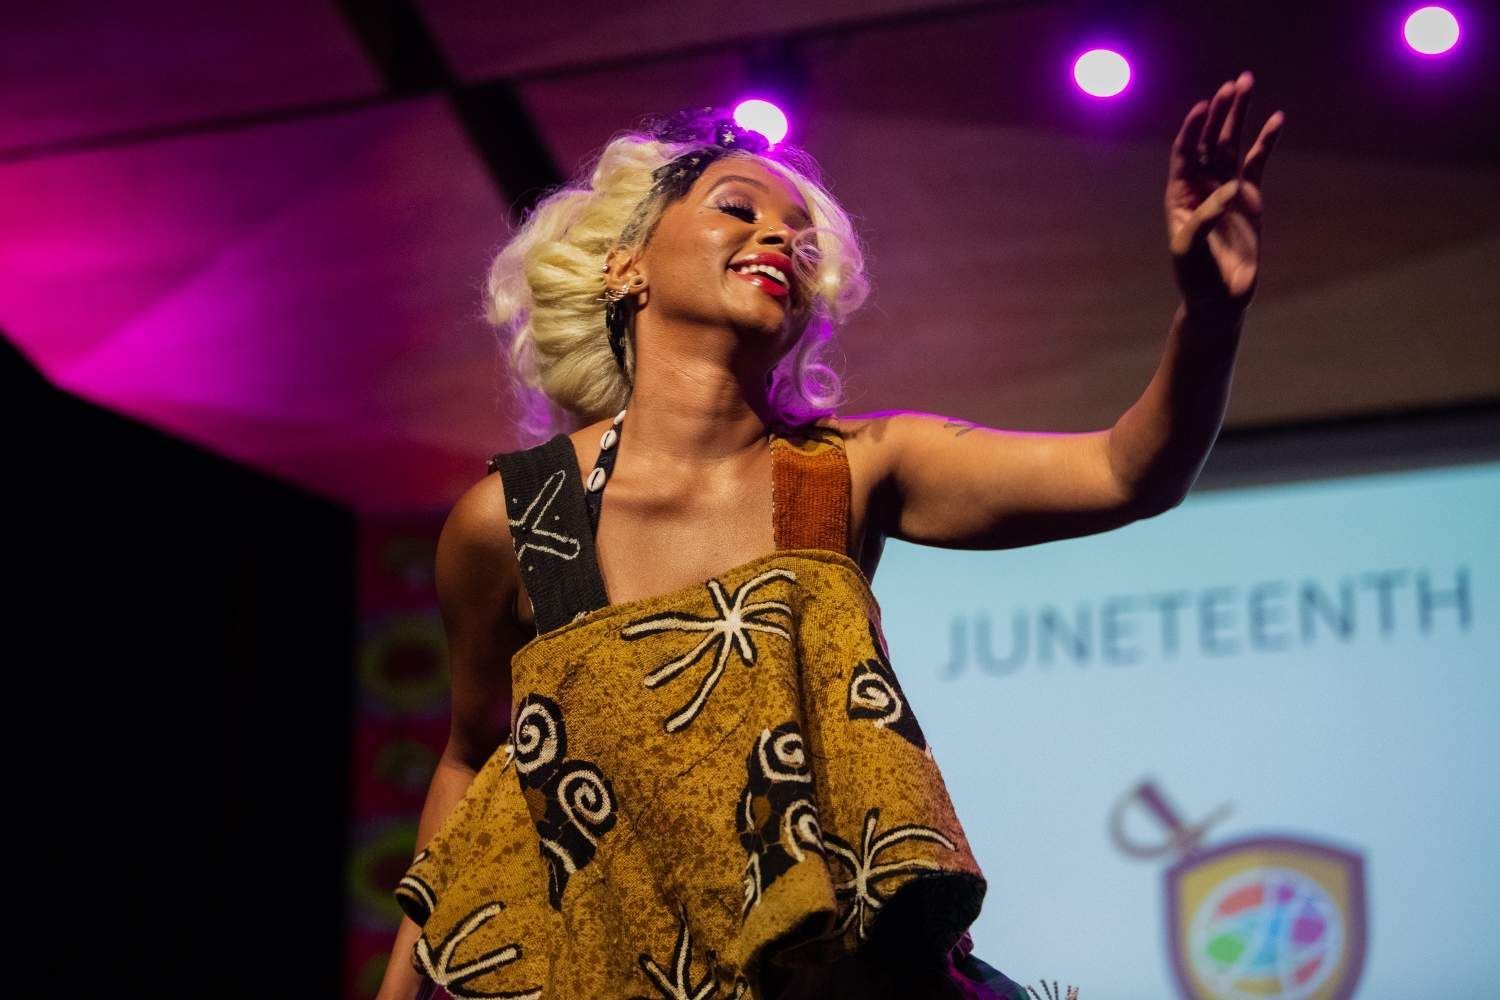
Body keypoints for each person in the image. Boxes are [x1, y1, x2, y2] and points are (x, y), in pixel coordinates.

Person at [376, 76, 1282, 1000]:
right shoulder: (518, 523)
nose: (782, 236)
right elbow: (473, 759)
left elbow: (1131, 473)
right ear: (625, 267)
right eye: (739, 207)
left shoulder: (849, 468)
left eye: (800, 234)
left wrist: (1210, 315)